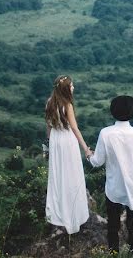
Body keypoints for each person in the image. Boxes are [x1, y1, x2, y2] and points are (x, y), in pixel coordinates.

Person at [88, 95, 133, 253]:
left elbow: (97, 162)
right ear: (132, 113)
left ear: (113, 112)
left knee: (112, 226)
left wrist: (88, 154)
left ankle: (113, 253)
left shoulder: (105, 133)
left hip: (113, 188)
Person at [44, 75, 92, 235]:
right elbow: (75, 128)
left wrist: (49, 145)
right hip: (66, 140)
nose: (73, 88)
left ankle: (58, 215)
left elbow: (48, 127)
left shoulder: (49, 102)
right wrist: (85, 148)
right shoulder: (68, 105)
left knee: (57, 177)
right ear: (65, 88)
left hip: (55, 140)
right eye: (71, 86)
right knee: (72, 175)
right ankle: (73, 215)